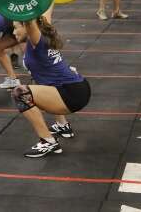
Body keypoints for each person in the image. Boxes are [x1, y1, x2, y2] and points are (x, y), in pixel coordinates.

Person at [11, 16, 90, 158]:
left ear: (28, 27)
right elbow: (45, 6)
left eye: (16, 27)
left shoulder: (37, 40)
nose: (13, 32)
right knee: (41, 84)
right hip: (75, 88)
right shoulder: (39, 36)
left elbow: (29, 18)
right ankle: (62, 126)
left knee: (20, 93)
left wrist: (24, 6)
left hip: (72, 93)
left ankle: (48, 141)